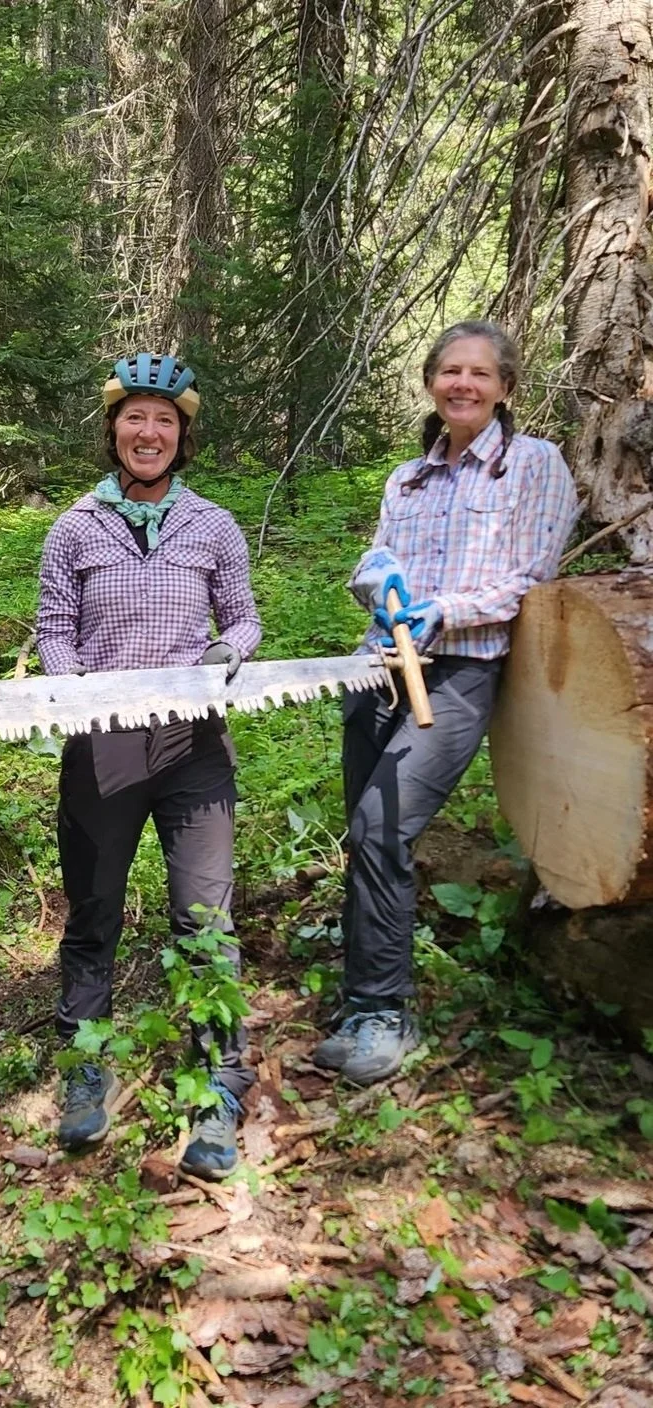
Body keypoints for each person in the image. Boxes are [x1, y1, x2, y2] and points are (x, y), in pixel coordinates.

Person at [316, 320, 578, 1085]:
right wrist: (381, 580)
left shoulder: (532, 465)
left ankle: (387, 1015)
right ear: (432, 382)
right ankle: (363, 1004)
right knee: (365, 839)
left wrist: (447, 609)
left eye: (480, 373)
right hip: (380, 673)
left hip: (460, 672)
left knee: (381, 826)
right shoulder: (407, 478)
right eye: (450, 371)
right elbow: (373, 561)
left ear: (504, 388)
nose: (463, 383)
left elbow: (533, 576)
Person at [36, 354, 262, 1179]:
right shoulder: (75, 528)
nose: (149, 432)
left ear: (183, 436)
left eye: (164, 420)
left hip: (194, 748)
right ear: (113, 429)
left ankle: (216, 1087)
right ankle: (84, 1068)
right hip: (103, 747)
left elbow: (244, 620)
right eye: (135, 417)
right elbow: (54, 627)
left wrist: (221, 653)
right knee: (92, 912)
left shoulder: (214, 525)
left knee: (205, 920)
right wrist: (77, 691)